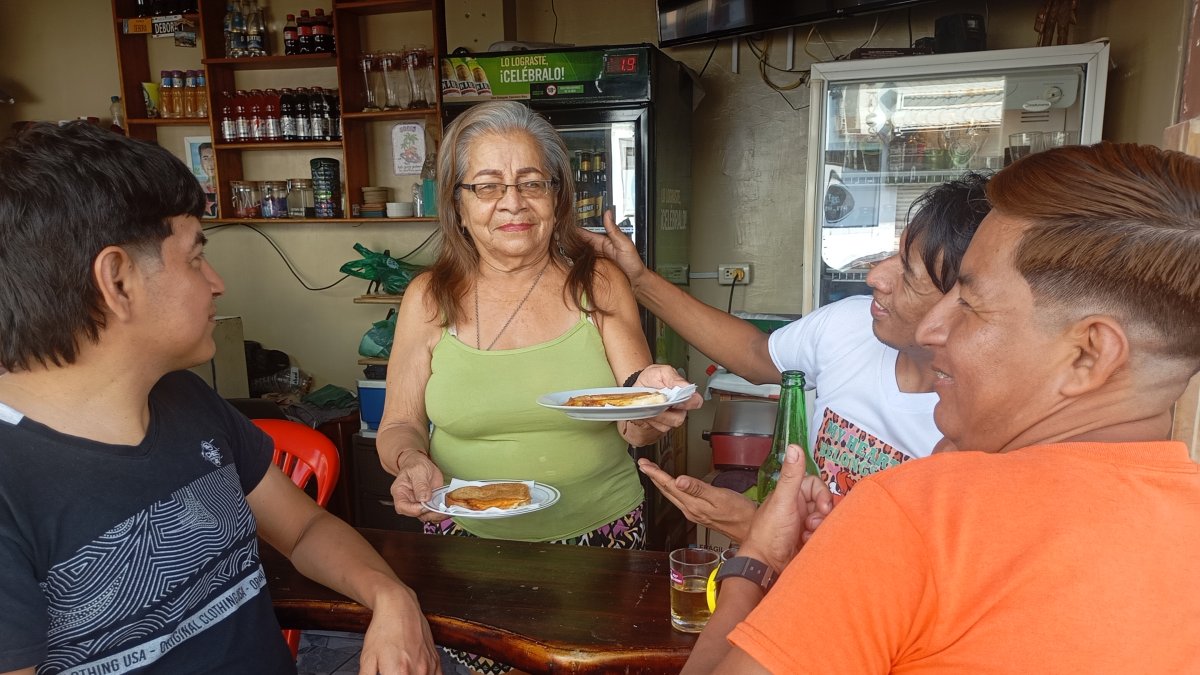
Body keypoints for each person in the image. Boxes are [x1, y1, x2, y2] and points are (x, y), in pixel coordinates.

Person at [684, 141, 1200, 673]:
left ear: (1089, 354)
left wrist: (758, 561)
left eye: (970, 305)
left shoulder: (919, 514)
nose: (932, 331)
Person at [0, 122, 439, 675]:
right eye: (193, 257)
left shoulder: (186, 400)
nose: (216, 282)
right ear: (117, 280)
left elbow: (304, 529)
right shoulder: (11, 483)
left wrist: (391, 597)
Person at [373, 101, 700, 674]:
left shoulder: (598, 282)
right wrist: (408, 460)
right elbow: (399, 424)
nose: (512, 203)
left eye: (532, 183)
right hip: (466, 542)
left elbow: (634, 420)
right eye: (487, 186)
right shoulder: (427, 298)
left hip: (600, 539)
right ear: (457, 201)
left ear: (558, 196)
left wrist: (654, 401)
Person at [585, 173, 991, 541]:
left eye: (908, 274)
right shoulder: (851, 324)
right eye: (893, 254)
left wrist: (756, 528)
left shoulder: (979, 431)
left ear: (966, 304)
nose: (875, 277)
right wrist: (639, 280)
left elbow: (908, 573)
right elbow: (753, 353)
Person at [197, 141, 218, 218]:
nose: (210, 162)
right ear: (201, 162)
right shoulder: (198, 189)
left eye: (213, 157)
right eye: (205, 158)